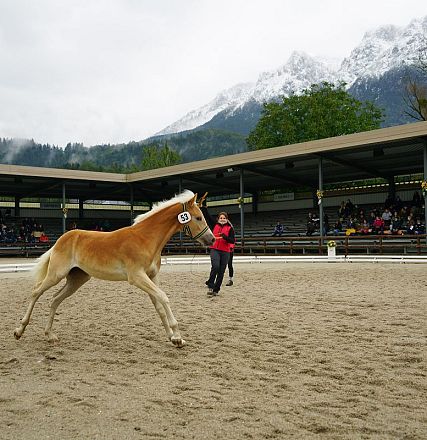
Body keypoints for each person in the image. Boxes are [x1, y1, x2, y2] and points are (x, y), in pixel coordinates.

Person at [200, 193, 235, 296]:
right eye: (221, 218)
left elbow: (232, 241)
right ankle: (210, 285)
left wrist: (225, 237)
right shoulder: (214, 224)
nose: (222, 219)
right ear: (218, 218)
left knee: (221, 271)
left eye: (224, 218)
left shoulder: (230, 228)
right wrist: (203, 207)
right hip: (215, 249)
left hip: (225, 251)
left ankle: (216, 290)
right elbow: (207, 216)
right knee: (215, 267)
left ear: (227, 219)